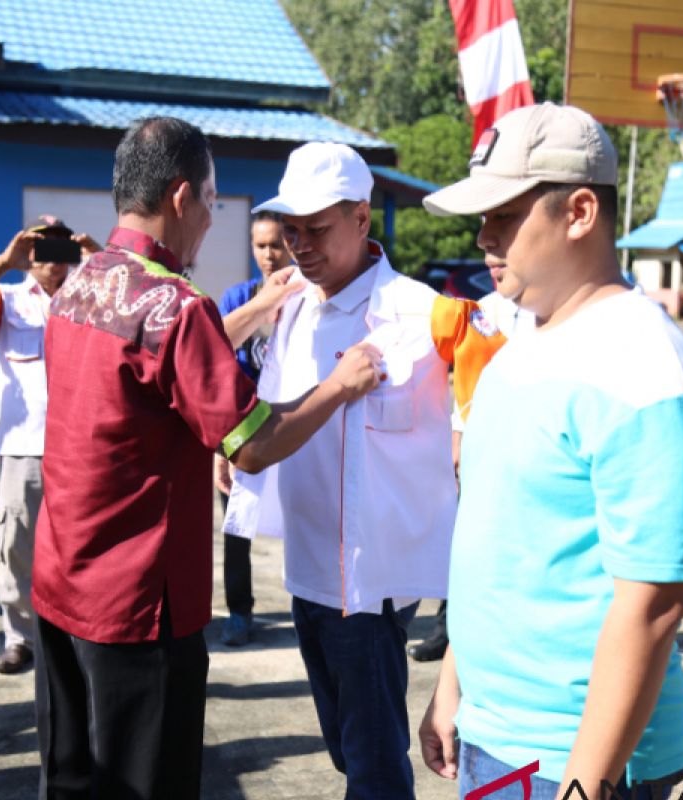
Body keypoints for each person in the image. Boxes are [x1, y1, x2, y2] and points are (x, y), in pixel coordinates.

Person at [32, 117, 384, 799]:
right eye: (213, 203)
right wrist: (340, 386)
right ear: (182, 197)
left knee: (71, 781)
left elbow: (164, 394)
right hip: (138, 603)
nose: (209, 223)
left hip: (61, 583)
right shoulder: (172, 305)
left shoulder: (78, 286)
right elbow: (252, 446)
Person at [417, 102, 683, 800]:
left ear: (579, 211)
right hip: (495, 729)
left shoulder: (647, 375)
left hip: (575, 755)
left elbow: (653, 605)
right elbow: (500, 540)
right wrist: (453, 685)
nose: (485, 238)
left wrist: (586, 783)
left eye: (504, 215)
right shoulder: (522, 347)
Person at [223, 141, 504, 799]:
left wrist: (470, 450)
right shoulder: (288, 306)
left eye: (316, 229)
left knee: (376, 768)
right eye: (290, 231)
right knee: (352, 754)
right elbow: (208, 353)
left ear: (361, 217)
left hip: (370, 592)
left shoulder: (423, 313)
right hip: (307, 576)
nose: (300, 246)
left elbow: (501, 381)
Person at [0, 216, 100, 674]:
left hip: (81, 448)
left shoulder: (93, 300)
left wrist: (104, 265)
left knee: (81, 549)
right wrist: (4, 261)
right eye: (42, 252)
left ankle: (78, 640)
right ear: (29, 256)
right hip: (23, 447)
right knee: (17, 544)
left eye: (62, 252)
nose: (53, 263)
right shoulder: (8, 301)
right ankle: (21, 639)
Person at [408, 269, 532, 664]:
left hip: (526, 449)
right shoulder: (484, 311)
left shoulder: (549, 313)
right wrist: (458, 437)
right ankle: (449, 631)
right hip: (481, 446)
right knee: (463, 542)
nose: (494, 261)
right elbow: (467, 383)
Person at [213, 210, 292, 647]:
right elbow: (218, 369)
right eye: (260, 245)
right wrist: (218, 448)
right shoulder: (238, 298)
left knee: (307, 520)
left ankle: (312, 605)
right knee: (236, 525)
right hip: (243, 429)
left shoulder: (307, 296)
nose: (268, 254)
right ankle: (239, 612)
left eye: (276, 244)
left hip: (296, 424)